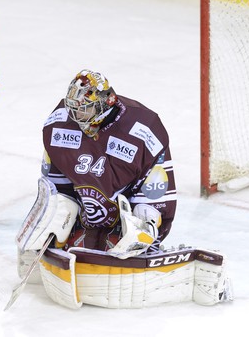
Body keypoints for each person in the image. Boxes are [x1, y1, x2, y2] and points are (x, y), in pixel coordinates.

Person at [13, 70, 234, 310]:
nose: (76, 115)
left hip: (126, 209)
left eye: (84, 109)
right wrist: (53, 220)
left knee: (132, 239)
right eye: (73, 108)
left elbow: (155, 190)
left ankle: (136, 242)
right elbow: (55, 187)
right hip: (86, 213)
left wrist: (145, 222)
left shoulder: (143, 129)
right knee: (59, 219)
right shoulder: (58, 125)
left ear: (105, 103)